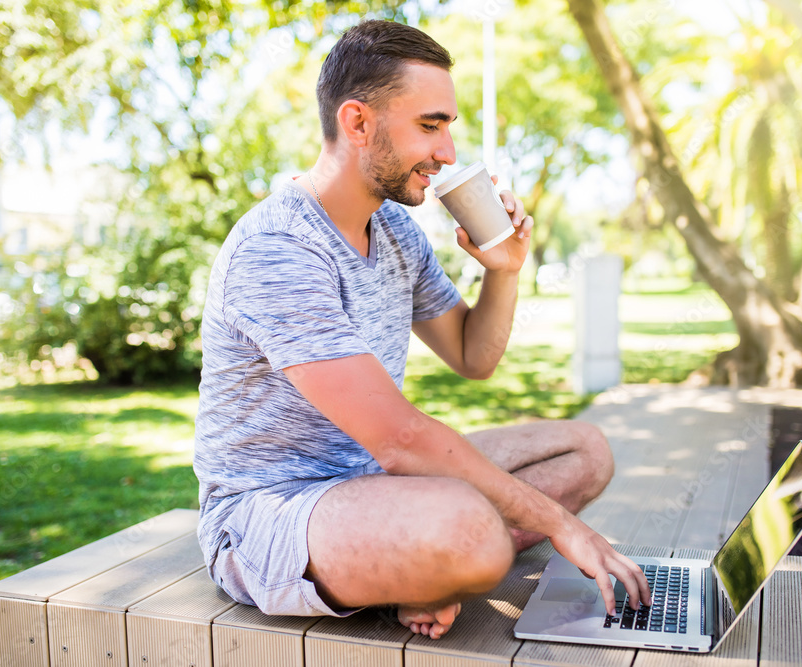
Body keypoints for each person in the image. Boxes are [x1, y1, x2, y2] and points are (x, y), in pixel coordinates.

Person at [193, 18, 649, 640]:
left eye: (447, 128)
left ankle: (418, 565)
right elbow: (400, 440)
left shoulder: (397, 233)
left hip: (377, 486)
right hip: (268, 515)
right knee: (469, 529)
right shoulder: (278, 249)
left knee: (585, 451)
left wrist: (505, 270)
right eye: (430, 125)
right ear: (357, 122)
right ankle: (425, 561)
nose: (448, 153)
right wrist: (563, 525)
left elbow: (473, 356)